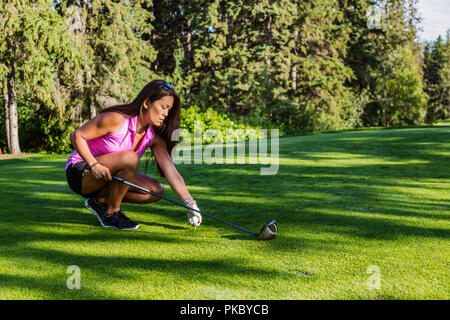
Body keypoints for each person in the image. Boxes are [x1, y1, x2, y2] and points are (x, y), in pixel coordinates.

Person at [65, 80, 202, 230]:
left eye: (169, 109)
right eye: (163, 107)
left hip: (106, 178)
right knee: (130, 158)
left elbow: (171, 171)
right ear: (146, 103)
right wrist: (94, 165)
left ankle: (99, 201)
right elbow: (77, 136)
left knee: (155, 191)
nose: (166, 114)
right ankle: (111, 214)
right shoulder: (116, 119)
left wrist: (190, 204)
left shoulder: (152, 137)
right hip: (82, 173)